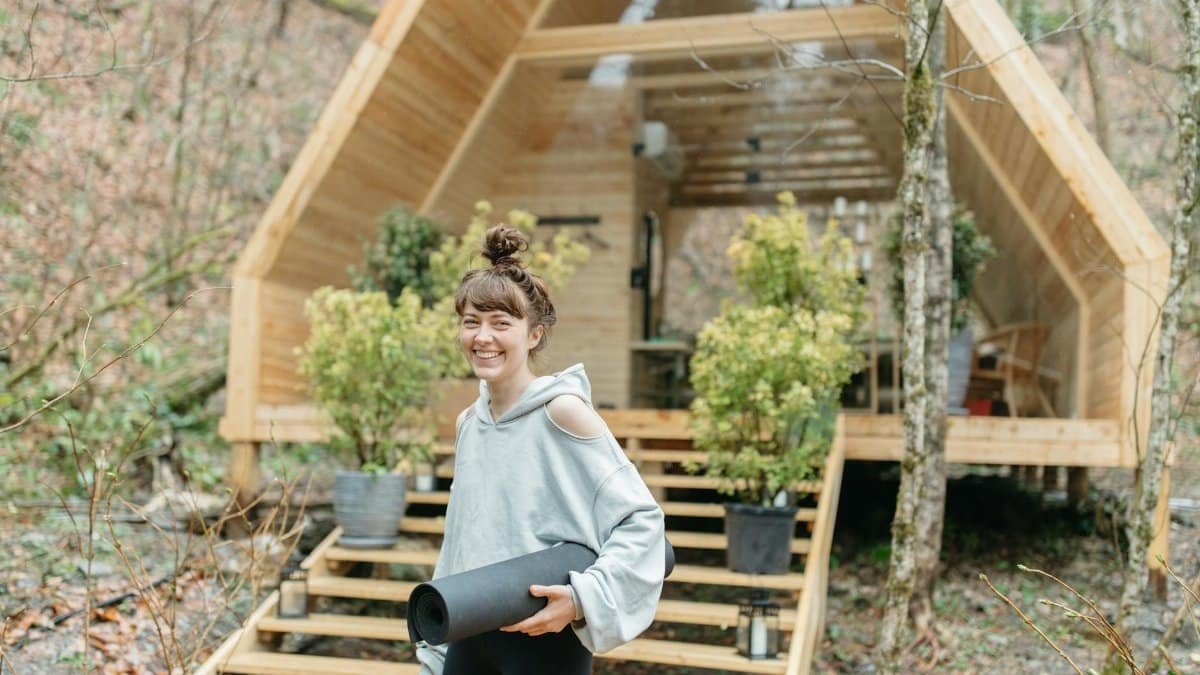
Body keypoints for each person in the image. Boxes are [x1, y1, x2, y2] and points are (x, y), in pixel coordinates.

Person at [414, 225, 667, 675]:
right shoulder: (469, 423)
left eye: (500, 324)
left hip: (544, 641)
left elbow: (641, 520)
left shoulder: (563, 412)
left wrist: (581, 599)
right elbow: (461, 538)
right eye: (471, 322)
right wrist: (435, 648)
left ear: (534, 335)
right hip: (470, 630)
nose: (482, 337)